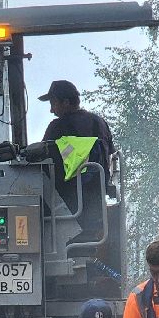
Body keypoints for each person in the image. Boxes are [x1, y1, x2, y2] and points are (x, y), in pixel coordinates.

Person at [37, 79, 117, 236]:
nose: (52, 110)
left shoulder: (57, 127)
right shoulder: (100, 123)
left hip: (64, 205)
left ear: (66, 102)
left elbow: (41, 157)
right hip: (96, 204)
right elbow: (110, 157)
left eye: (53, 103)